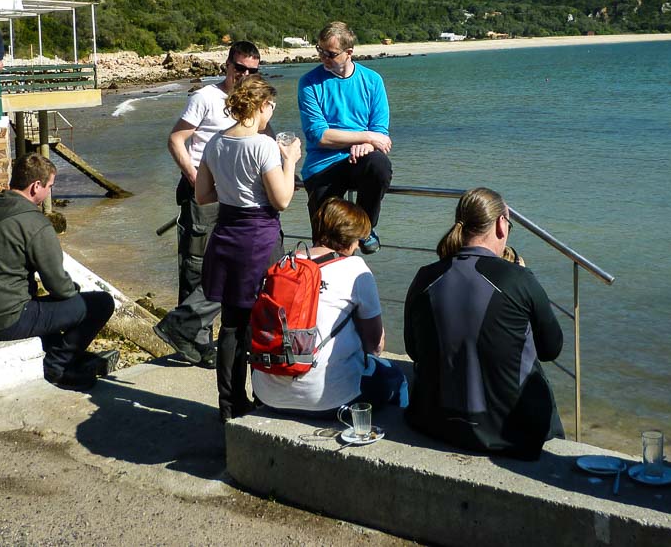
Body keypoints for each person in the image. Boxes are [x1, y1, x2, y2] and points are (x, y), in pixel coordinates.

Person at [403, 187, 563, 459]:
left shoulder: (425, 277)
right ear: (501, 224)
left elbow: (413, 350)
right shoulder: (519, 278)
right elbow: (551, 349)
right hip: (509, 436)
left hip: (432, 424)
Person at [0, 152, 115, 391]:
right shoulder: (34, 223)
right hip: (6, 321)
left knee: (37, 307)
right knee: (100, 303)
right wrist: (73, 291)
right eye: (50, 186)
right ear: (36, 186)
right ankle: (57, 365)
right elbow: (59, 287)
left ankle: (68, 356)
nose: (49, 193)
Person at [196, 75, 300, 420]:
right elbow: (281, 200)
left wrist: (233, 189)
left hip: (226, 232)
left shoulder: (215, 142)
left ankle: (229, 404)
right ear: (262, 105)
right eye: (272, 106)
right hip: (258, 237)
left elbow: (202, 195)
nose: (272, 113)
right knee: (264, 320)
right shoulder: (263, 145)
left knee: (231, 325)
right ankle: (263, 396)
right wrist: (290, 160)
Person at [154, 41, 263, 368]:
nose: (244, 75)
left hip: (236, 195)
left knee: (230, 263)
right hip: (203, 192)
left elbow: (263, 138)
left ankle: (192, 333)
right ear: (227, 65)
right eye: (239, 68)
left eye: (252, 70)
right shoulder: (205, 97)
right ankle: (194, 344)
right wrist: (194, 178)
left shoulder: (253, 101)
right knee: (196, 265)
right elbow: (176, 139)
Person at [252, 198, 406, 415]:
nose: (358, 246)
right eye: (359, 240)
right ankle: (387, 430)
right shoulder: (355, 268)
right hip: (327, 400)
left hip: (267, 393)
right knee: (396, 377)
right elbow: (375, 344)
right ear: (351, 239)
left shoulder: (285, 263)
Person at [297, 21, 391, 252]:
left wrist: (369, 144)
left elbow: (380, 132)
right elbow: (319, 135)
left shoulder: (372, 80)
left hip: (361, 159)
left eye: (330, 54)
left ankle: (365, 228)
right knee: (326, 240)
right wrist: (364, 137)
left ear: (349, 52)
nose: (323, 58)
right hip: (323, 165)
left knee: (379, 165)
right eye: (320, 51)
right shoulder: (309, 83)